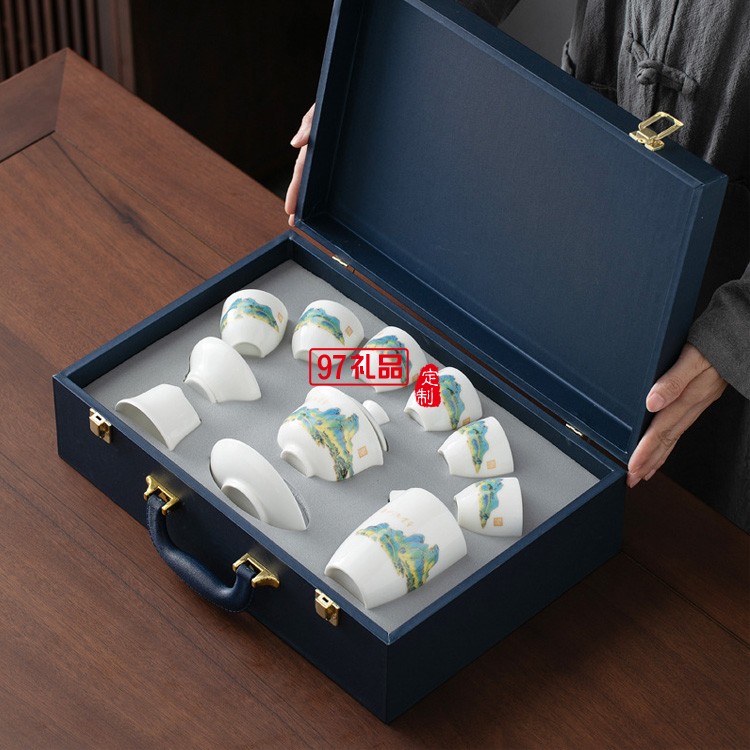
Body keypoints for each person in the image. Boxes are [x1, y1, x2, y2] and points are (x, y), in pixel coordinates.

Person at [285, 0, 749, 530]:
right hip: (582, 214)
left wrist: (737, 328)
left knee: (686, 525)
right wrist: (373, 67)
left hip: (729, 299)